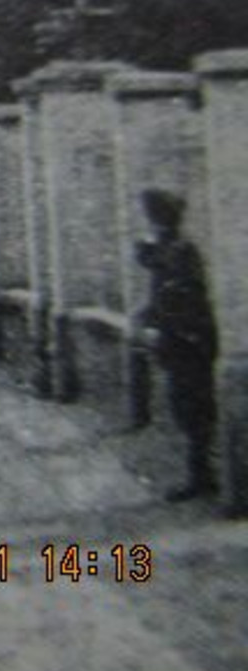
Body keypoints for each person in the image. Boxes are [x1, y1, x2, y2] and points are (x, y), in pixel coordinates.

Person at [134, 188, 219, 502]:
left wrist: (157, 316)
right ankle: (201, 473)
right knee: (186, 408)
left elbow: (178, 293)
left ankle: (202, 476)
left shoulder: (180, 250)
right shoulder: (172, 247)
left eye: (150, 216)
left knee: (194, 410)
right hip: (181, 340)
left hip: (189, 341)